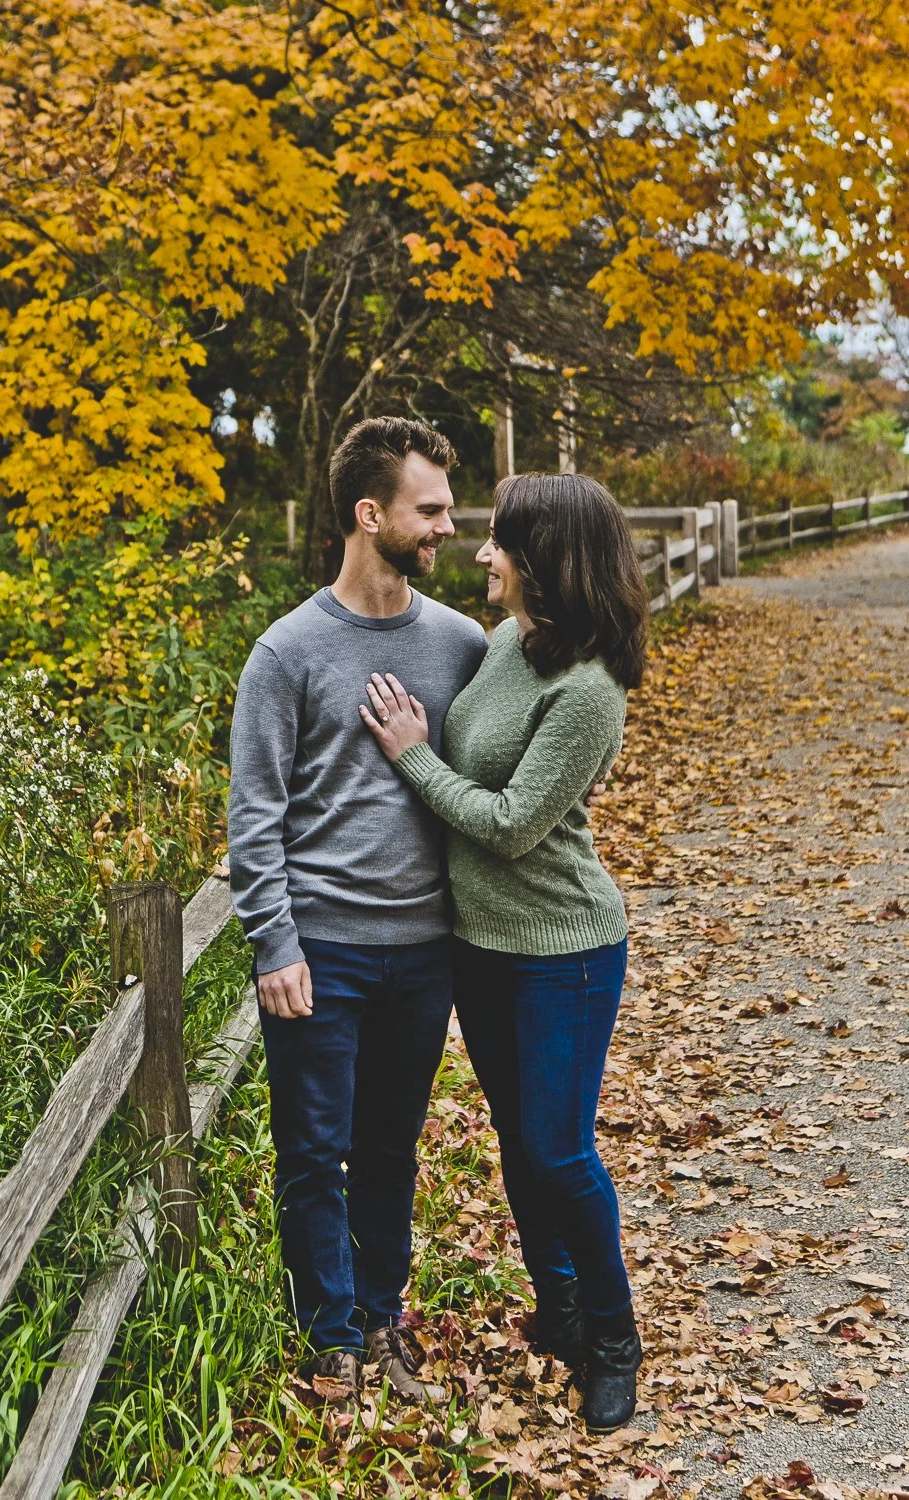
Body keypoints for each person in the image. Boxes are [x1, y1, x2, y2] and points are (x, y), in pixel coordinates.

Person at [359, 471, 650, 1434]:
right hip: (480, 947)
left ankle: (613, 1339)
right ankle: (560, 1306)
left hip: (563, 950)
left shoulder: (587, 691)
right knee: (521, 1147)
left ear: (546, 559)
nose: (482, 554)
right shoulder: (504, 647)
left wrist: (412, 754)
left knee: (560, 1150)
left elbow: (514, 822)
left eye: (501, 542)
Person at [228, 416, 487, 1412]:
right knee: (312, 1152)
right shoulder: (286, 652)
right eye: (429, 511)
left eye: (447, 510)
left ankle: (380, 1320)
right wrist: (273, 942)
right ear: (368, 513)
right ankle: (326, 1340)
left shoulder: (461, 644)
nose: (446, 528)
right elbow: (255, 814)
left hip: (424, 951)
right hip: (321, 953)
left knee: (389, 1147)